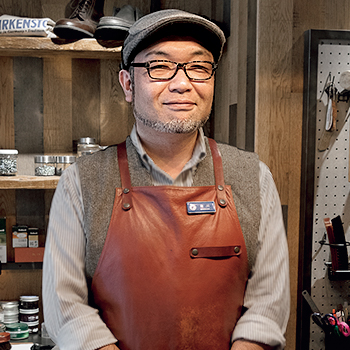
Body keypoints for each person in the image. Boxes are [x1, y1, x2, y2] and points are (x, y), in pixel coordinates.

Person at [42, 9, 290, 350]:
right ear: (128, 84)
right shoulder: (81, 183)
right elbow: (66, 309)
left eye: (199, 67)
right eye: (159, 67)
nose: (182, 83)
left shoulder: (253, 177)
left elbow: (267, 305)